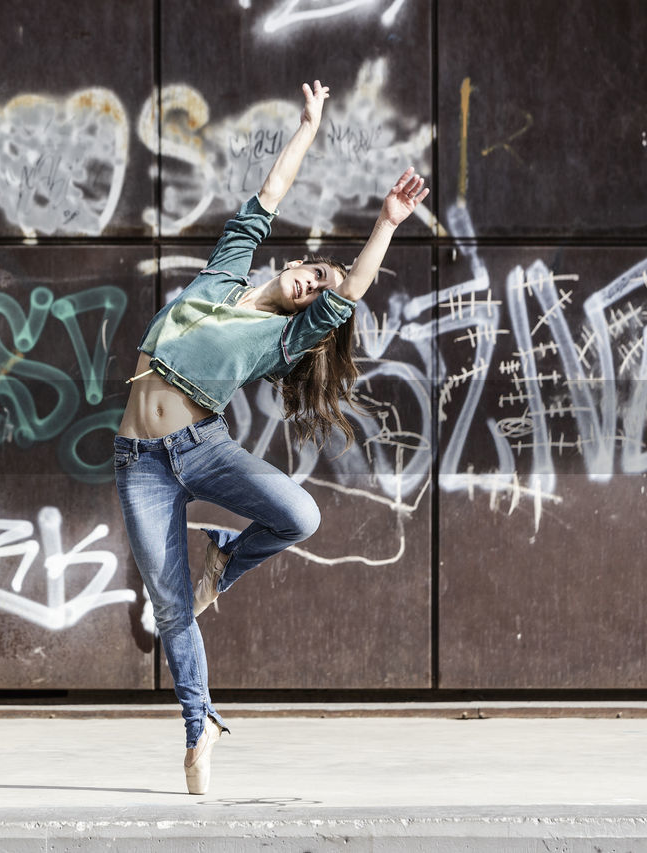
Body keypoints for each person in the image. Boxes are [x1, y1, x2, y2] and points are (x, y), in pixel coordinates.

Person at [113, 80, 428, 795]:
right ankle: (200, 727)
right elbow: (269, 191)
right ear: (293, 263)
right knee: (169, 609)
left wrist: (386, 220)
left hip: (200, 443)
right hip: (140, 462)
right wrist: (309, 127)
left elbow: (352, 290)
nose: (314, 287)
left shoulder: (285, 337)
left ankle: (225, 560)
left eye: (321, 290)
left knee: (301, 513)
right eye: (313, 273)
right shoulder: (226, 269)